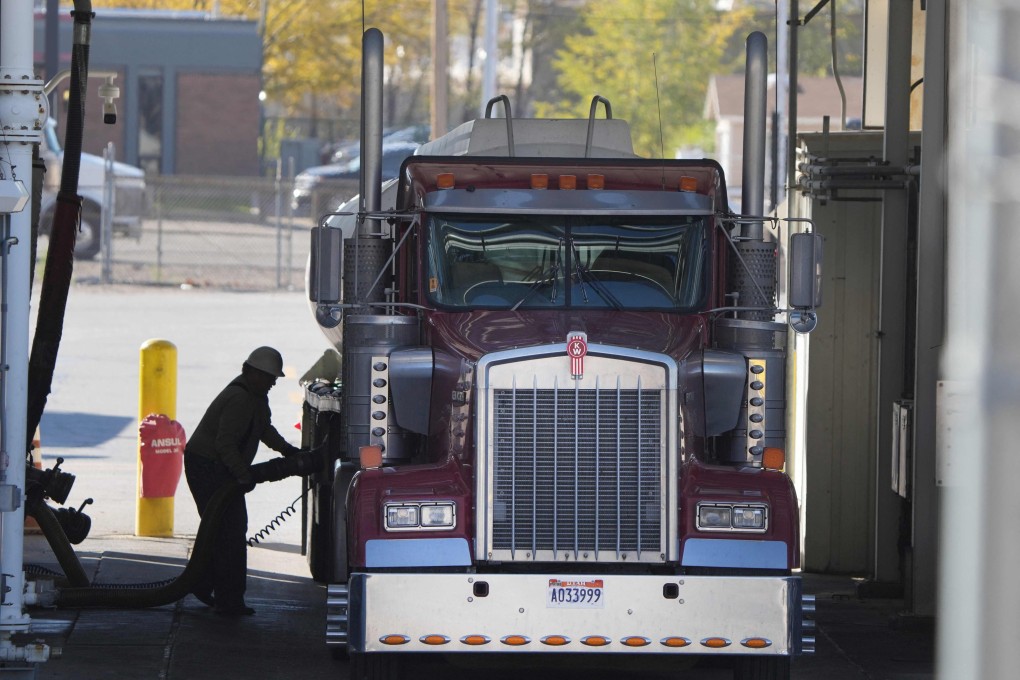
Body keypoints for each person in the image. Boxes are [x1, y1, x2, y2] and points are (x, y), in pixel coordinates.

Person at [184, 346, 303, 616]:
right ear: (253, 373)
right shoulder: (240, 398)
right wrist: (242, 475)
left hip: (217, 466)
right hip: (207, 466)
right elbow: (225, 444)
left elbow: (263, 429)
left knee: (226, 530)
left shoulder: (256, 397)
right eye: (270, 377)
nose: (274, 382)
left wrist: (288, 451)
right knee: (229, 532)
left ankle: (207, 585)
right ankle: (227, 599)